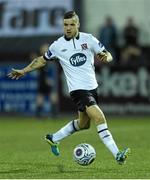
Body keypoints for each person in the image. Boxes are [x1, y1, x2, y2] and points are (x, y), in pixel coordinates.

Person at [8, 11, 130, 165]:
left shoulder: (89, 39)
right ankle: (117, 154)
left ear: (78, 24)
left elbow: (107, 54)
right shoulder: (58, 45)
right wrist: (24, 71)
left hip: (92, 88)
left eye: (72, 24)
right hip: (78, 91)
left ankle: (53, 138)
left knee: (83, 124)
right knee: (99, 117)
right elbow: (41, 60)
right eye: (65, 25)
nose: (68, 28)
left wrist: (107, 57)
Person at [30, 44, 58, 118]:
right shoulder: (41, 59)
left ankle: (54, 114)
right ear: (41, 50)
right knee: (41, 96)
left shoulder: (51, 57)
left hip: (48, 80)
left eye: (46, 48)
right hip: (43, 81)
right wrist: (46, 79)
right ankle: (38, 114)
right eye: (44, 48)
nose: (45, 49)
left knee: (53, 96)